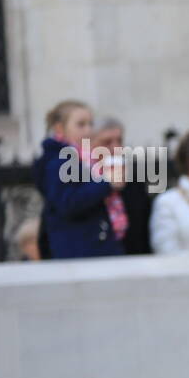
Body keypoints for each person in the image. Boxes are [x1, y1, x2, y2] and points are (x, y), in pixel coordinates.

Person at [34, 99, 127, 259]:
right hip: (79, 251)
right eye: (81, 125)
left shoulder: (82, 158)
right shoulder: (59, 160)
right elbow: (67, 202)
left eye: (90, 124)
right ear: (59, 128)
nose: (88, 130)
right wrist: (106, 183)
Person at [94, 117, 153, 255]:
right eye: (107, 142)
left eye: (119, 141)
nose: (116, 148)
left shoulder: (134, 180)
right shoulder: (83, 179)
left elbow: (143, 227)